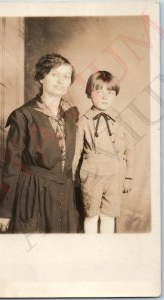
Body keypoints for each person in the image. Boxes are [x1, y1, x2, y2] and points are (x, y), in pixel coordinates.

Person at [0, 53, 79, 233]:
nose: (61, 81)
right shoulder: (23, 115)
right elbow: (12, 165)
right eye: (54, 74)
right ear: (41, 77)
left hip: (64, 195)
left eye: (66, 76)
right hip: (33, 192)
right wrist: (5, 209)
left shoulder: (71, 114)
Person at [72, 70, 135, 233]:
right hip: (91, 173)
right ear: (89, 94)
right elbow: (77, 151)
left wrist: (129, 175)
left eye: (109, 92)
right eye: (98, 92)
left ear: (115, 95)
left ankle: (107, 251)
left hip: (116, 174)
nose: (104, 97)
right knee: (91, 215)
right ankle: (91, 251)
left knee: (109, 215)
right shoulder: (83, 122)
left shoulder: (122, 119)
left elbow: (130, 149)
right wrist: (71, 175)